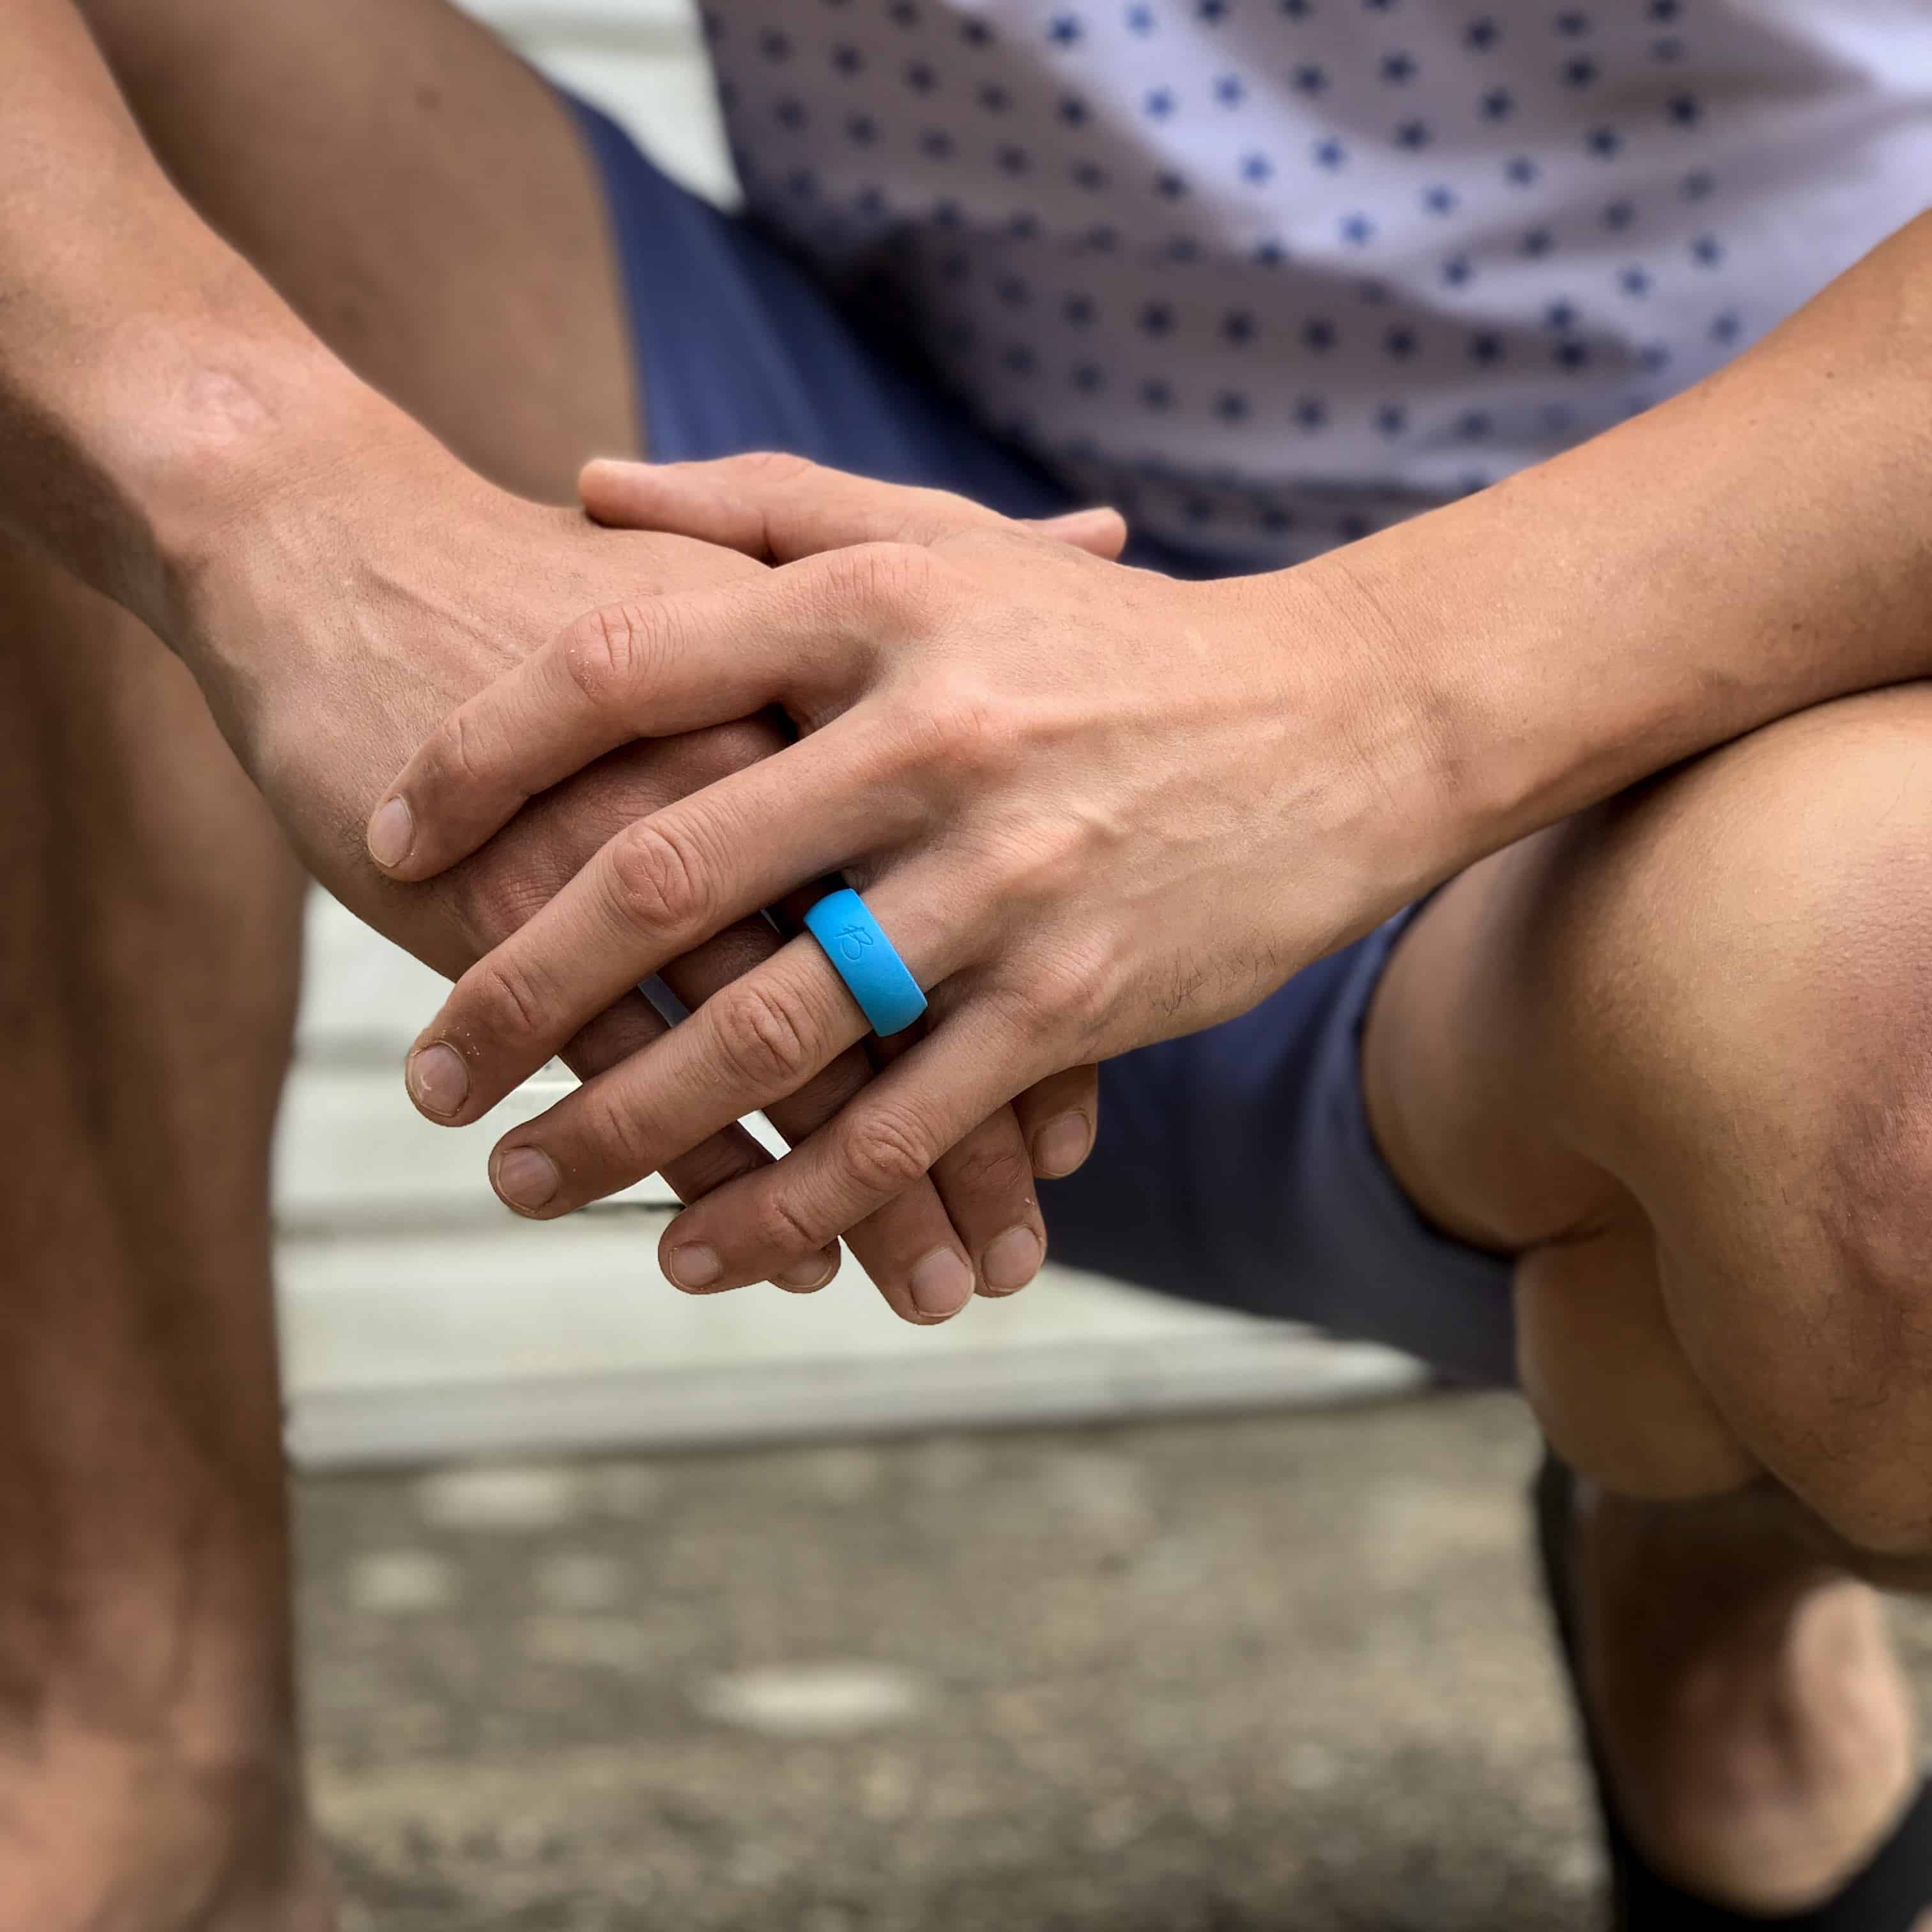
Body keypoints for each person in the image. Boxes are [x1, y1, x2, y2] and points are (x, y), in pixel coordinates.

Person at [6, 1, 1932, 1926]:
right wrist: (265, 502)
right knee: (68, 224)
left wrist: (1344, 705)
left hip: (1746, 623)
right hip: (882, 532)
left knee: (1894, 1136)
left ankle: (1717, 1526)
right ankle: (142, 1717)